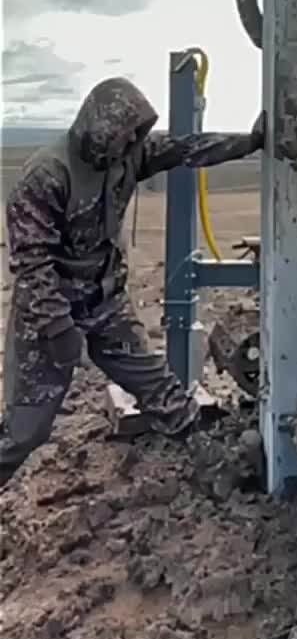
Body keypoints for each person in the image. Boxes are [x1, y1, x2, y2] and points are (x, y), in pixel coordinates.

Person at [0, 77, 268, 487]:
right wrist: (56, 328)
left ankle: (221, 469)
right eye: (124, 136)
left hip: (105, 303)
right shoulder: (47, 175)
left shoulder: (128, 156)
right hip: (49, 310)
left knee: (161, 390)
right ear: (98, 128)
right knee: (26, 430)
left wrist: (249, 142)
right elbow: (32, 264)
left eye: (135, 138)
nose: (131, 146)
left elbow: (185, 147)